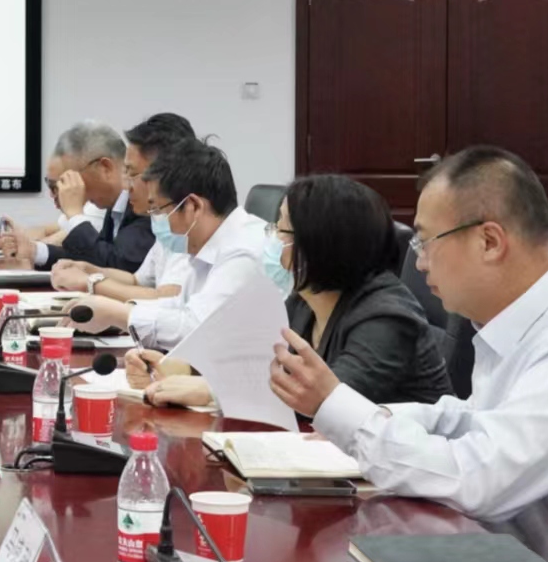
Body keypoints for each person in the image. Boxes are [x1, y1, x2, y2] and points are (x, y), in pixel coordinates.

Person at [272, 147, 548, 562]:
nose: (419, 262)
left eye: (426, 242)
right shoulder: (513, 323)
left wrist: (341, 409)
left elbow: (477, 481)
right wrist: (372, 416)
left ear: (489, 241)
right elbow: (469, 418)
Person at [127, 173, 450, 411]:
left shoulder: (386, 317)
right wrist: (181, 368)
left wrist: (211, 390)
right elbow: (256, 360)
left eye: (280, 230)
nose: (271, 240)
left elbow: (329, 401)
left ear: (320, 244)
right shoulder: (306, 299)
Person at [69, 139, 268, 351]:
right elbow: (179, 307)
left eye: (158, 209)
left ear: (192, 206)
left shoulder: (243, 250)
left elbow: (198, 329)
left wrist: (119, 314)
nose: (156, 220)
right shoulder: (205, 246)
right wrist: (117, 310)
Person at [51, 113, 196, 302]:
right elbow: (137, 280)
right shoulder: (162, 220)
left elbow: (165, 297)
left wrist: (90, 282)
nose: (126, 185)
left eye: (132, 173)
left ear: (163, 174)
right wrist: (89, 270)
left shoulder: (189, 221)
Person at [0, 121, 153, 273]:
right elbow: (93, 259)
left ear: (105, 168)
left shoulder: (145, 204)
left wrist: (75, 215)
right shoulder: (113, 205)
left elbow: (119, 267)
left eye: (68, 180)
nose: (63, 191)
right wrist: (34, 251)